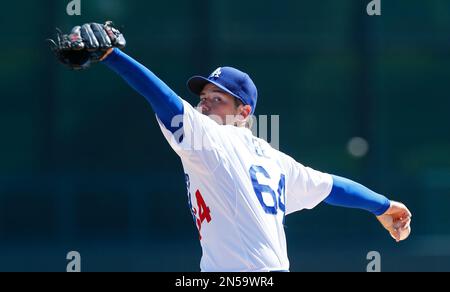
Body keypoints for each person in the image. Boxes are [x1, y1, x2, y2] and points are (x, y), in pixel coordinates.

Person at [49, 22, 412, 272]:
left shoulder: (213, 139)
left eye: (217, 99)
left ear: (244, 112)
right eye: (203, 97)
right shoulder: (274, 159)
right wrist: (382, 205)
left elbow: (162, 99)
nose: (204, 104)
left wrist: (113, 57)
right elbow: (333, 187)